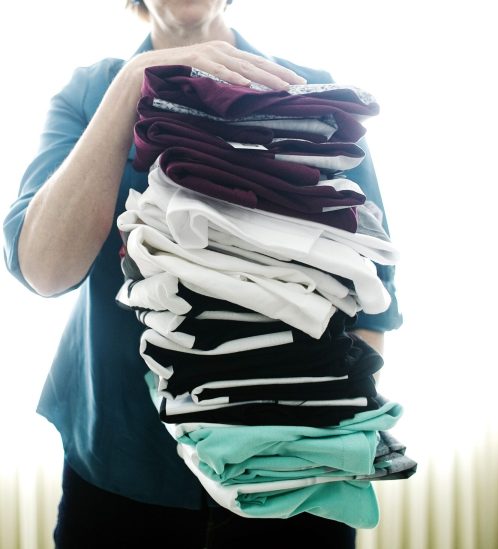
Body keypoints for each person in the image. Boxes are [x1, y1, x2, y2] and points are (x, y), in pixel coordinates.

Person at [2, 1, 402, 547]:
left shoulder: (310, 98)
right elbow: (44, 271)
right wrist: (132, 86)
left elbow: (371, 286)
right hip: (123, 461)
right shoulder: (92, 92)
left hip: (293, 469)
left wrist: (323, 434)